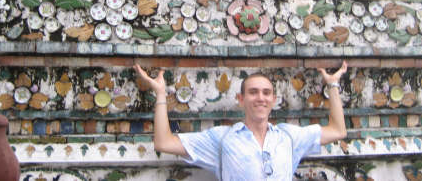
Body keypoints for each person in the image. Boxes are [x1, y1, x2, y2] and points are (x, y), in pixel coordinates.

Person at [134, 61, 347, 181]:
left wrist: (333, 85)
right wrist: (160, 93)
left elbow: (338, 130)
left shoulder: (289, 137)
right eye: (253, 92)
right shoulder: (223, 138)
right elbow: (163, 142)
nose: (261, 98)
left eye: (266, 93)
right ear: (241, 99)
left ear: (274, 100)